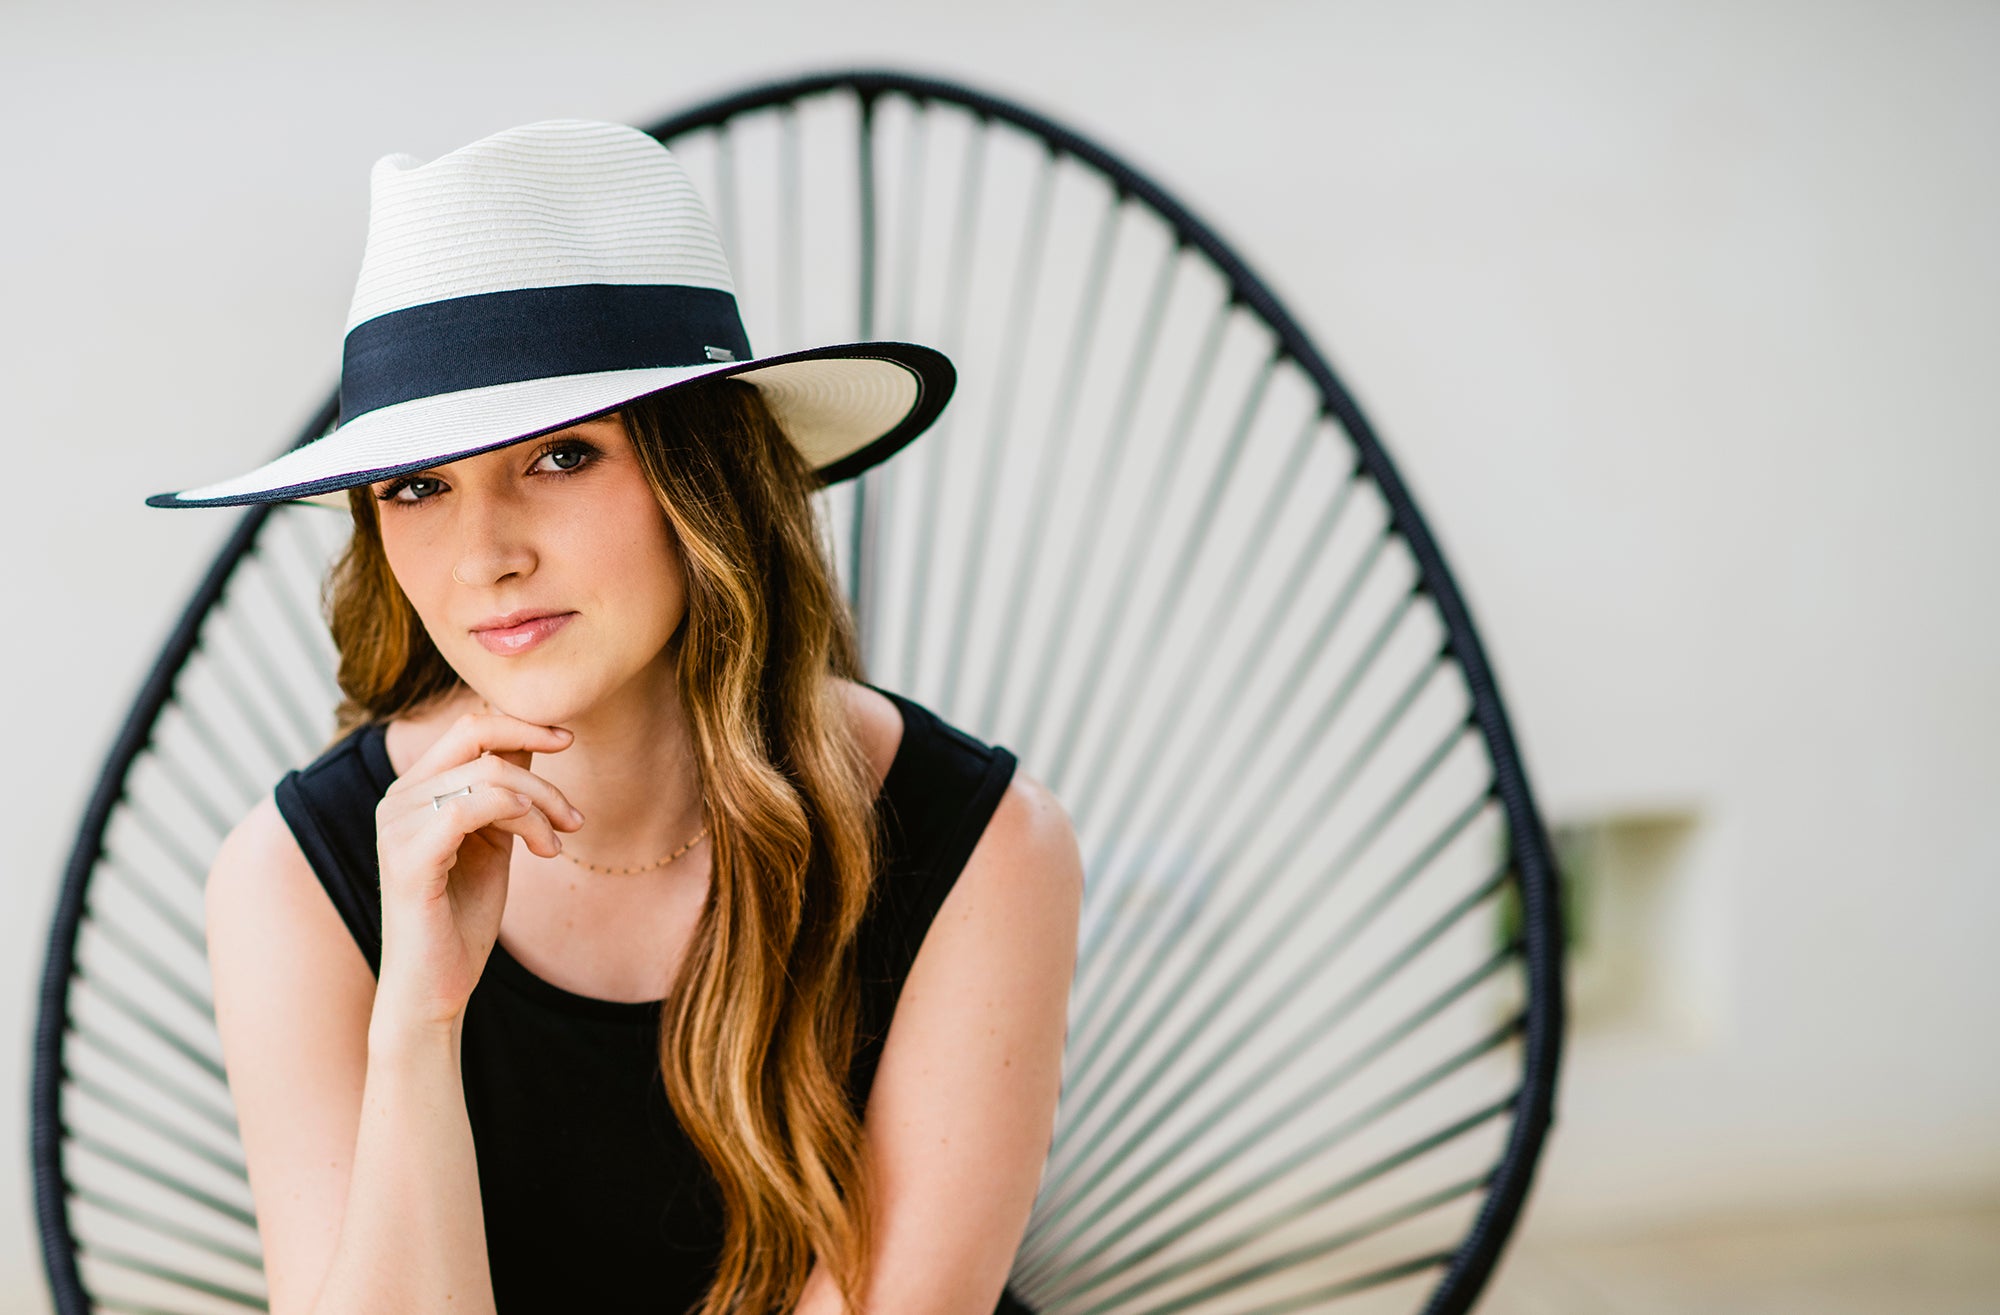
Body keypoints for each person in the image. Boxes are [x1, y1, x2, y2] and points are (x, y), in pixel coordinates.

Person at [151, 119, 1082, 1315]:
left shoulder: (982, 847)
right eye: (418, 484)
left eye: (560, 457)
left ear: (705, 481)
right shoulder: (297, 880)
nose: (484, 554)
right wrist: (418, 1025)